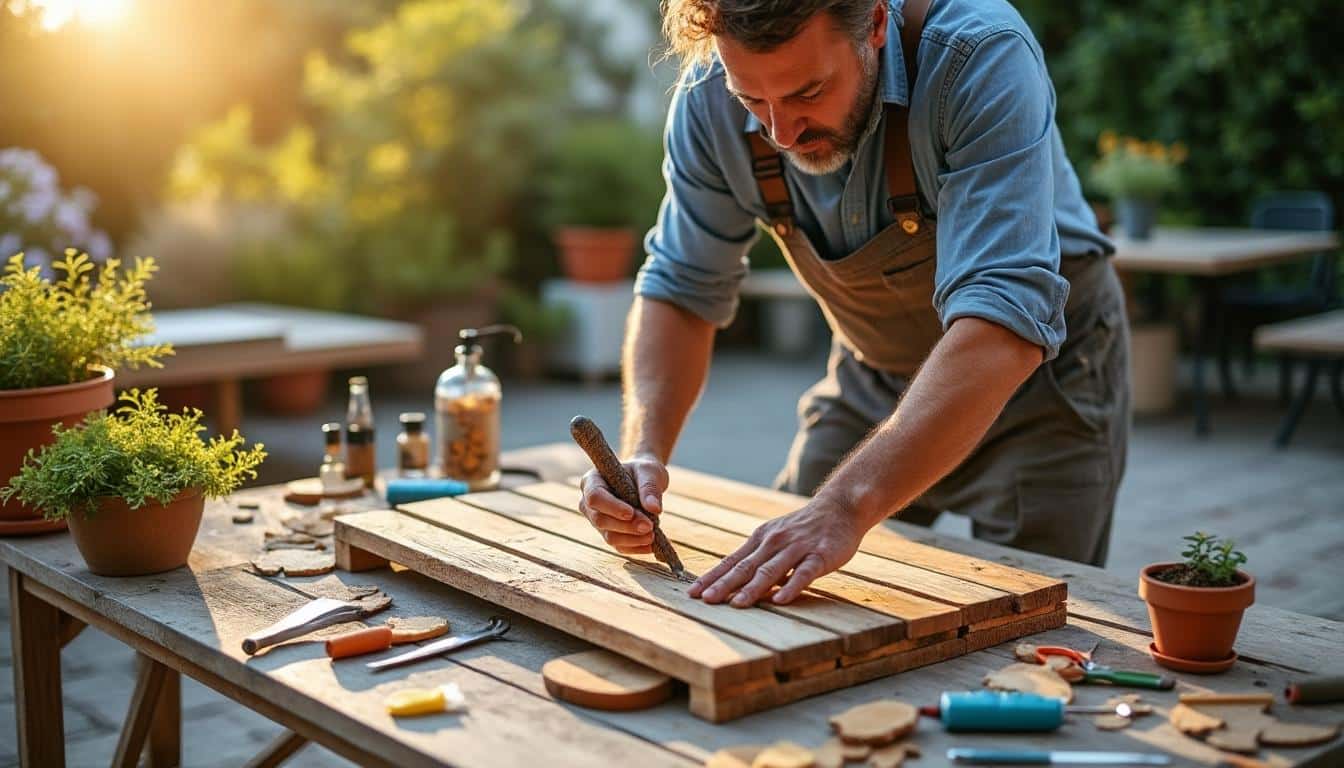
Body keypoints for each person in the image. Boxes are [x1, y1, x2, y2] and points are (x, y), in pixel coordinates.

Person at [578, 0, 1129, 609]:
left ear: (875, 22)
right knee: (780, 586)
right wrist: (643, 452)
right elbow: (681, 288)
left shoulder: (978, 55)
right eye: (752, 101)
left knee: (1028, 616)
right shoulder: (708, 96)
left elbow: (1005, 314)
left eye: (808, 92)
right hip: (872, 373)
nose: (781, 134)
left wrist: (844, 506)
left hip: (1040, 387)